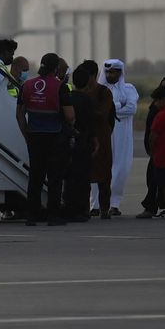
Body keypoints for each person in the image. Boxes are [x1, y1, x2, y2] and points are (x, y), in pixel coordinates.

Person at [17, 53, 74, 226]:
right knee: (55, 177)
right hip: (55, 137)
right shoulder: (60, 87)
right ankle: (53, 215)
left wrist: (26, 134)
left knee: (35, 176)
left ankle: (32, 215)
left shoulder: (26, 85)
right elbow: (70, 116)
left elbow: (20, 114)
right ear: (56, 68)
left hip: (34, 136)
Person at [93, 59, 139, 216]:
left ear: (120, 73)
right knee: (98, 165)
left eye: (113, 72)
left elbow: (131, 109)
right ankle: (96, 205)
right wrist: (119, 105)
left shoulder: (129, 89)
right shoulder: (98, 90)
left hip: (121, 134)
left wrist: (110, 108)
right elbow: (95, 109)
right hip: (102, 132)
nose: (109, 75)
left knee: (121, 166)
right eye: (107, 72)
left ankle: (114, 203)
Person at [138, 83, 165, 218]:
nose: (155, 103)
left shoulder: (161, 115)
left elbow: (152, 136)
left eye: (157, 100)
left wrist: (152, 151)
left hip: (162, 154)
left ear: (164, 99)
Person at [65, 61, 103, 221]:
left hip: (69, 141)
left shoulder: (68, 97)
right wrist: (95, 140)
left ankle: (69, 208)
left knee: (69, 177)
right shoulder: (87, 100)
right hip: (84, 142)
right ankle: (83, 210)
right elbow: (91, 122)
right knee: (83, 178)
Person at [79, 59, 117, 218]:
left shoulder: (104, 92)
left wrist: (85, 108)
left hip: (102, 138)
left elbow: (103, 114)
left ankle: (104, 209)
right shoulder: (80, 91)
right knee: (84, 175)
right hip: (86, 137)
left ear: (93, 75)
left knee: (104, 177)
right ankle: (84, 208)